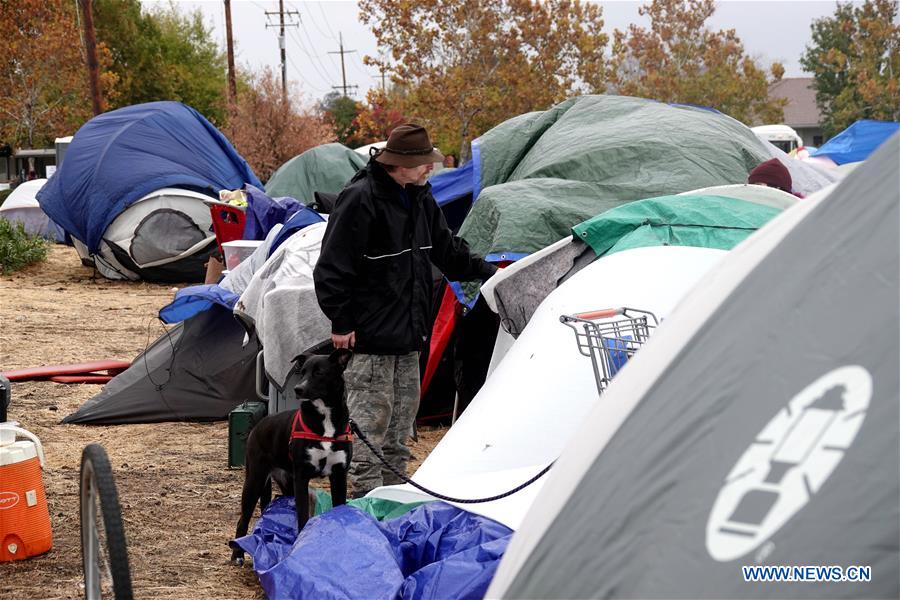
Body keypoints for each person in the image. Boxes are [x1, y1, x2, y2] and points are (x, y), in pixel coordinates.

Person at [313, 123, 497, 497]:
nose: (430, 168)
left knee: (399, 432)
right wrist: (342, 320)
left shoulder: (421, 199)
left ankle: (392, 500)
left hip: (410, 337)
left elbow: (448, 252)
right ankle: (367, 503)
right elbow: (332, 268)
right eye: (423, 163)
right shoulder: (360, 199)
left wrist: (491, 272)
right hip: (368, 339)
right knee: (370, 429)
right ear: (399, 164)